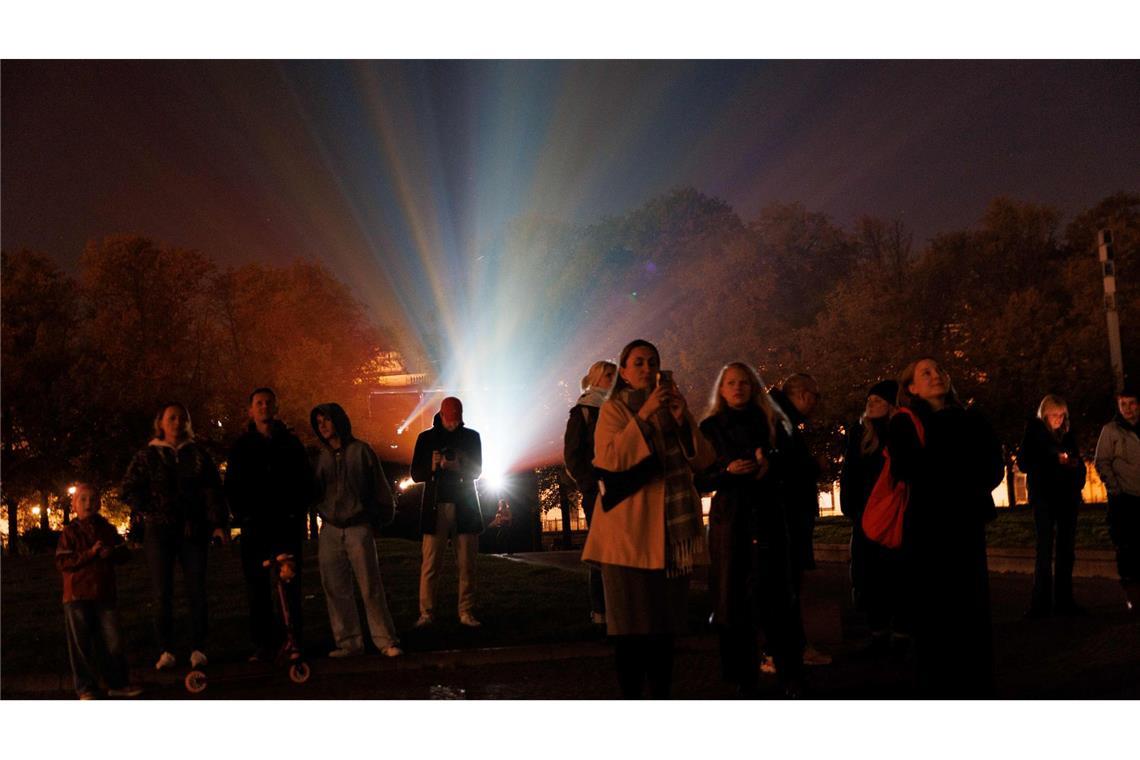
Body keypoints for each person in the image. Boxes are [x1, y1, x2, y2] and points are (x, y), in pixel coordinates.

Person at [581, 339, 715, 698]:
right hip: (628, 537)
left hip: (670, 538)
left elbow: (703, 460)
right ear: (623, 372)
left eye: (651, 362)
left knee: (664, 631)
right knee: (631, 631)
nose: (645, 368)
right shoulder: (613, 411)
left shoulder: (674, 409)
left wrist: (682, 420)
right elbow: (609, 460)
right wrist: (642, 418)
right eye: (637, 362)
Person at [889, 358, 1003, 697]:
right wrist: (959, 471)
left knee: (972, 607)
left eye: (939, 371)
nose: (936, 375)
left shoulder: (972, 418)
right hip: (927, 530)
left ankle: (975, 682)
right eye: (926, 373)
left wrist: (952, 472)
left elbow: (992, 467)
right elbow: (910, 469)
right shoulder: (905, 423)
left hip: (966, 525)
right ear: (911, 388)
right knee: (934, 612)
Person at [696, 362, 803, 697]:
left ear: (753, 386)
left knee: (777, 595)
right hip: (731, 519)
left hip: (768, 513)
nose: (738, 387)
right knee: (732, 598)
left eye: (744, 382)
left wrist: (769, 464)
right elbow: (700, 477)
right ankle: (741, 676)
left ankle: (789, 671)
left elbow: (796, 463)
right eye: (731, 382)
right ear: (722, 389)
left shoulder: (773, 422)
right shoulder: (709, 428)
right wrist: (727, 472)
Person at [121, 402, 228, 671]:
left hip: (193, 530)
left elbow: (213, 489)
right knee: (162, 591)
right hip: (159, 530)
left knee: (197, 589)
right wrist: (149, 507)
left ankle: (198, 648)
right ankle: (166, 649)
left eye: (182, 418)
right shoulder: (147, 456)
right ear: (161, 423)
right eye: (172, 418)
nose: (177, 422)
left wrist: (216, 524)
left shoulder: (198, 455)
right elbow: (130, 487)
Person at [225, 387, 314, 662]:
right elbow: (233, 486)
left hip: (285, 523)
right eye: (258, 403)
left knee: (289, 582)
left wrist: (295, 513)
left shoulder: (290, 444)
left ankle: (293, 639)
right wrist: (243, 515)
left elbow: (303, 480)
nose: (264, 407)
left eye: (268, 403)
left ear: (275, 409)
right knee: (257, 588)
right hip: (255, 526)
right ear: (251, 410)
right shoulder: (241, 447)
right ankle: (263, 643)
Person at [310, 403, 403, 658]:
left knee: (370, 585)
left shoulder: (361, 451)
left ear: (338, 420)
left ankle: (385, 640)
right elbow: (314, 489)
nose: (323, 426)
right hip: (330, 528)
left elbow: (379, 486)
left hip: (357, 525)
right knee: (335, 588)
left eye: (326, 420)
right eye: (318, 423)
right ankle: (348, 642)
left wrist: (381, 517)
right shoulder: (321, 457)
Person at [55, 482, 142, 699]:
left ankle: (117, 683)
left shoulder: (107, 529)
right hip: (77, 594)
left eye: (93, 499)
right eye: (83, 499)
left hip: (104, 592)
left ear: (99, 504)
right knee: (81, 645)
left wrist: (110, 553)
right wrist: (91, 554)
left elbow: (124, 555)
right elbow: (63, 561)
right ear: (74, 505)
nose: (88, 503)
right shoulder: (69, 532)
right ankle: (85, 687)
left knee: (113, 642)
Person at [839, 380, 908, 654]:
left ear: (892, 404)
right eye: (869, 400)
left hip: (896, 516)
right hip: (866, 518)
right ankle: (878, 631)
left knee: (898, 574)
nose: (870, 404)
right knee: (870, 577)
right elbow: (850, 473)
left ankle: (902, 631)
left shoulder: (900, 432)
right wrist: (853, 509)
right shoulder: (859, 433)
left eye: (877, 400)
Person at [768, 373, 830, 665]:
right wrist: (813, 465)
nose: (817, 403)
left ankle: (783, 648)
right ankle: (788, 650)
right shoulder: (783, 422)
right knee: (787, 585)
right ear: (804, 394)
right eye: (816, 396)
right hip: (787, 516)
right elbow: (787, 467)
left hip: (784, 515)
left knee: (784, 585)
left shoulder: (778, 416)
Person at [410, 397, 484, 627]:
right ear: (442, 415)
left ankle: (464, 611)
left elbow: (478, 470)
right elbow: (416, 474)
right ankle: (428, 612)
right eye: (450, 420)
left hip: (461, 507)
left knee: (466, 564)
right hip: (440, 505)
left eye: (456, 420)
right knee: (431, 563)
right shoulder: (426, 439)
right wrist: (432, 467)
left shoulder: (471, 437)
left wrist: (458, 465)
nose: (452, 424)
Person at [1018, 394, 1086, 618]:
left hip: (1067, 497)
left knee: (1066, 549)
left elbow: (1078, 461)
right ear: (1044, 415)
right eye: (1053, 415)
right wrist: (1052, 458)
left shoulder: (1068, 434)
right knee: (1044, 549)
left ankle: (1065, 601)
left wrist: (1075, 470)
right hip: (1044, 497)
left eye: (1061, 415)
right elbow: (1024, 462)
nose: (1057, 419)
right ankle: (1040, 603)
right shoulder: (1034, 433)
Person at [563, 360, 617, 625]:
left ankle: (618, 608)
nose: (613, 379)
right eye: (608, 375)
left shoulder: (620, 408)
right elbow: (571, 456)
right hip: (597, 490)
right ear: (596, 379)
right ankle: (600, 610)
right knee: (600, 551)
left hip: (620, 489)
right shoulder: (583, 412)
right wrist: (589, 483)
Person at [1094, 387, 1140, 614]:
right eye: (1124, 405)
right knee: (1127, 547)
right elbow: (1102, 461)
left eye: (1132, 404)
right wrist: (1115, 488)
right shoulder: (1111, 431)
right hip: (1124, 498)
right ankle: (1132, 595)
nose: (1128, 409)